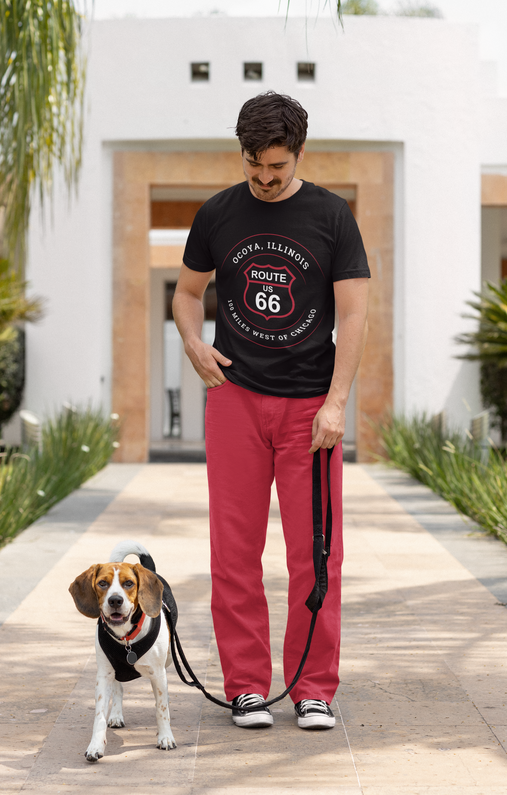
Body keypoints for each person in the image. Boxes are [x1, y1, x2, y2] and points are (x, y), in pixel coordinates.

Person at [173, 91, 370, 731]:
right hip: (235, 402)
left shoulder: (332, 216)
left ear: (299, 153)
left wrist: (338, 402)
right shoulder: (218, 214)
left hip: (311, 407)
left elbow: (356, 313)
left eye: (277, 168)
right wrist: (194, 343)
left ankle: (314, 688)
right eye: (255, 166)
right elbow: (186, 294)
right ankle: (247, 687)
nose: (265, 179)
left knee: (316, 555)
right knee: (234, 554)